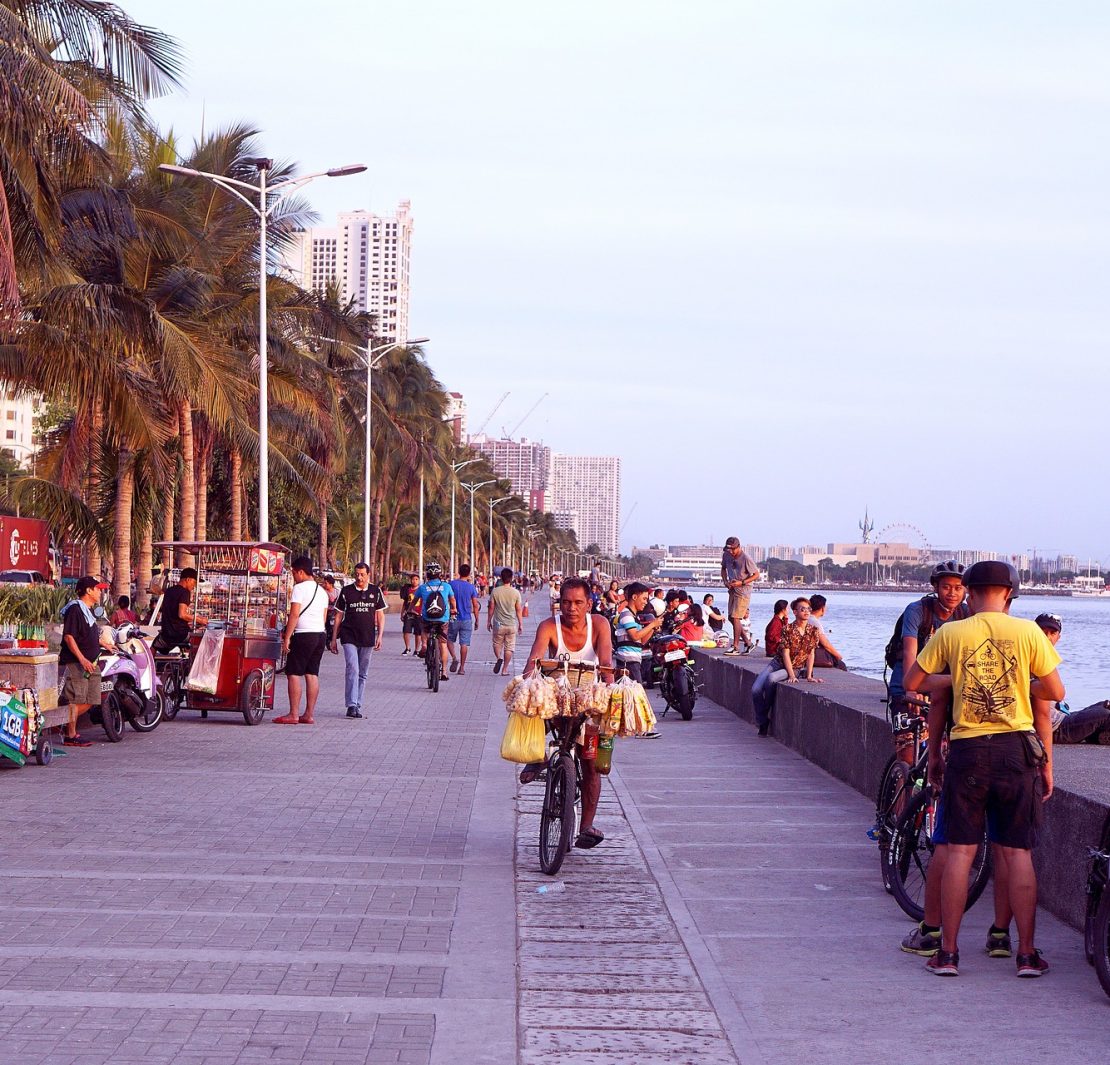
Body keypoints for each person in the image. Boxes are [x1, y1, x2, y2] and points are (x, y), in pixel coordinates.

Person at [905, 560, 1063, 978]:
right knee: (1017, 852)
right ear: (1009, 594)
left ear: (971, 593)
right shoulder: (1030, 632)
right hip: (1017, 752)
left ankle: (948, 955)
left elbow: (914, 683)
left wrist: (957, 679)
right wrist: (1018, 686)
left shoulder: (953, 632)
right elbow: (1055, 691)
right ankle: (1026, 955)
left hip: (969, 750)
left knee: (959, 851)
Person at [520, 577, 615, 847]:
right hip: (558, 698)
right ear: (558, 602)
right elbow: (534, 659)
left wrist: (609, 690)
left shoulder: (599, 625)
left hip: (588, 700)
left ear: (589, 604)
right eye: (565, 602)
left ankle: (586, 826)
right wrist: (526, 683)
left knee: (592, 764)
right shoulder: (549, 626)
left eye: (577, 603)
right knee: (532, 701)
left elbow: (606, 660)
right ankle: (538, 756)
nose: (571, 608)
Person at [1032, 614, 1110, 743]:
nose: (1047, 637)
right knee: (1104, 714)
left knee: (1105, 705)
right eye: (1043, 632)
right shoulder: (1035, 662)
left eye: (1052, 633)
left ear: (1058, 637)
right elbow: (1042, 714)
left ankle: (1097, 734)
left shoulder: (1046, 659)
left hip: (1061, 716)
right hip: (1056, 729)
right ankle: (1098, 735)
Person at [751, 597, 822, 736]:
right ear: (795, 612)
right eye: (803, 609)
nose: (806, 612)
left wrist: (809, 675)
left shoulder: (813, 630)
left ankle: (763, 718)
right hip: (778, 663)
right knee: (755, 689)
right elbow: (785, 654)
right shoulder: (787, 629)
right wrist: (791, 675)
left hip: (795, 667)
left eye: (808, 609)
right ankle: (763, 719)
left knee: (771, 679)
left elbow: (811, 654)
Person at [58, 576, 115, 746]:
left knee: (91, 699)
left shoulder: (87, 610)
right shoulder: (75, 609)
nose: (100, 592)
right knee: (77, 698)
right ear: (89, 591)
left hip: (92, 662)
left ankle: (65, 724)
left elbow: (87, 634)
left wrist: (103, 643)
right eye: (98, 589)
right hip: (78, 664)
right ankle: (70, 734)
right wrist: (82, 659)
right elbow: (69, 637)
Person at [274, 557, 329, 725]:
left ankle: (293, 714)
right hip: (320, 634)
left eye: (293, 573)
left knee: (293, 673)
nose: (293, 576)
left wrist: (288, 637)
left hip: (304, 634)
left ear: (300, 571)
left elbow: (294, 614)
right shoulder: (322, 591)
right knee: (312, 673)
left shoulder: (299, 588)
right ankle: (309, 714)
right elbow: (324, 616)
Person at [329, 562, 387, 719]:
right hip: (349, 636)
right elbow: (339, 615)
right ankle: (351, 704)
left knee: (362, 673)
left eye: (362, 574)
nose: (359, 577)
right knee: (352, 668)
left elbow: (380, 615)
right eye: (357, 574)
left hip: (367, 637)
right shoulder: (346, 591)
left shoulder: (376, 591)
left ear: (368, 574)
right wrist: (334, 638)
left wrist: (380, 635)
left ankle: (358, 704)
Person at [613, 582, 665, 682]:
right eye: (644, 599)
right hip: (627, 663)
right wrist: (652, 624)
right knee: (637, 695)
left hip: (633, 662)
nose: (646, 602)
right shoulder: (626, 615)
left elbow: (641, 641)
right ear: (634, 597)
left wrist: (653, 628)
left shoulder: (634, 617)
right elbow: (635, 636)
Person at [414, 562, 457, 682]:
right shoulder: (446, 586)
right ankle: (444, 671)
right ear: (439, 574)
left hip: (427, 617)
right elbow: (452, 600)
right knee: (443, 644)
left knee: (423, 628)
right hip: (443, 618)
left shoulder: (423, 587)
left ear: (427, 574)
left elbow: (415, 601)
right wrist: (454, 609)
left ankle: (424, 644)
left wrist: (409, 609)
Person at [721, 536, 760, 655]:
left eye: (733, 549)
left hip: (743, 590)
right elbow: (723, 569)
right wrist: (725, 581)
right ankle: (748, 643)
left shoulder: (746, 558)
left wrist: (741, 582)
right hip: (733, 588)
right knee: (731, 618)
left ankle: (736, 647)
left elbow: (756, 575)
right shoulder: (726, 555)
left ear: (739, 547)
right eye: (729, 550)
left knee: (736, 617)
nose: (731, 552)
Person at [154, 567, 204, 653]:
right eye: (194, 582)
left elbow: (172, 613)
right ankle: (193, 664)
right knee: (199, 642)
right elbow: (182, 614)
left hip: (167, 634)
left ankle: (149, 666)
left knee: (153, 647)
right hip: (181, 634)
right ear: (188, 579)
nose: (194, 586)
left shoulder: (169, 591)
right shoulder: (185, 592)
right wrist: (200, 620)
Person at [447, 563, 482, 675]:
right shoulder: (471, 587)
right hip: (466, 618)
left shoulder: (451, 584)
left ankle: (454, 657)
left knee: (449, 640)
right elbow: (475, 605)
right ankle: (462, 668)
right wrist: (477, 619)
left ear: (459, 571)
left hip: (453, 617)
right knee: (464, 644)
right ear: (469, 574)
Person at [488, 567, 523, 675]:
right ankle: (505, 669)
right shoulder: (516, 593)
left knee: (497, 643)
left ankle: (499, 658)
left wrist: (488, 621)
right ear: (512, 578)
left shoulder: (495, 591)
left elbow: (491, 608)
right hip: (511, 624)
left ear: (501, 578)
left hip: (498, 624)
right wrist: (520, 624)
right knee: (509, 647)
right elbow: (518, 610)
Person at [808, 594, 847, 669]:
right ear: (822, 608)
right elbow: (825, 643)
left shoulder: (807, 619)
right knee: (841, 665)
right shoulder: (814, 622)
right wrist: (838, 655)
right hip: (812, 654)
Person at [400, 575, 422, 656]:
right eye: (413, 579)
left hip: (419, 614)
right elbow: (405, 603)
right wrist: (402, 613)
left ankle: (416, 650)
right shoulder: (407, 590)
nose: (414, 581)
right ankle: (407, 648)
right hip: (409, 614)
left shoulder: (421, 590)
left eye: (416, 579)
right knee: (406, 631)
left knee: (418, 633)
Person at [322, 575, 339, 644]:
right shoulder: (323, 592)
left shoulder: (337, 592)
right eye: (324, 583)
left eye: (326, 583)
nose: (324, 585)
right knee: (328, 627)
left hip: (336, 613)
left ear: (331, 584)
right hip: (327, 612)